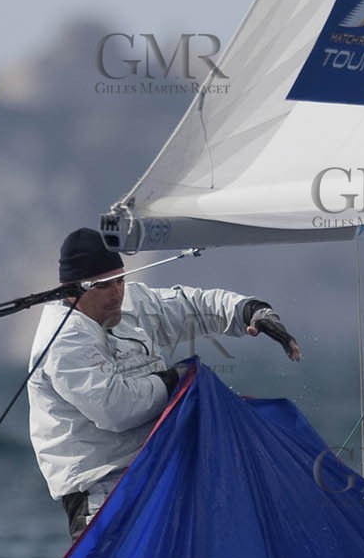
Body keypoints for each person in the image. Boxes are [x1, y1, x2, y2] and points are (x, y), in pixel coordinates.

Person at [28, 227, 302, 539]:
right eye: (103, 286)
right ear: (71, 291)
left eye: (120, 280)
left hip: (158, 476)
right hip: (102, 497)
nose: (117, 293)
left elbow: (194, 307)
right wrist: (175, 380)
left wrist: (251, 311)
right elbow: (117, 408)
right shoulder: (63, 341)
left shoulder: (128, 304)